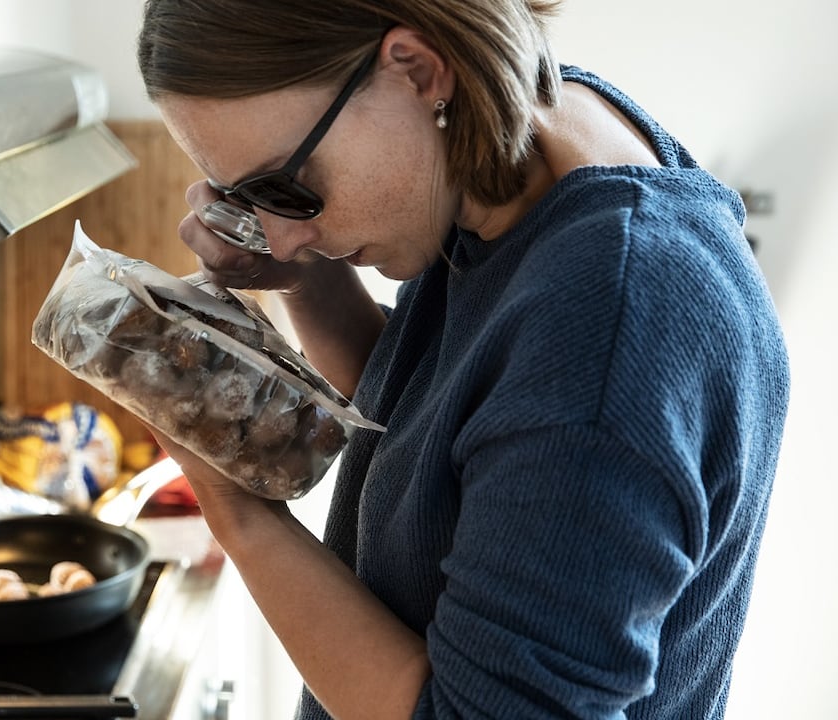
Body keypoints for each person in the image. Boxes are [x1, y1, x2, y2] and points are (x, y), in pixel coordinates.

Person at [134, 1, 790, 718]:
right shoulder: (527, 148)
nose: (281, 236)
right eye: (243, 197)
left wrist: (235, 510)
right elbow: (448, 422)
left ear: (416, 71)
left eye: (286, 186)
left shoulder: (609, 324)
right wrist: (307, 277)